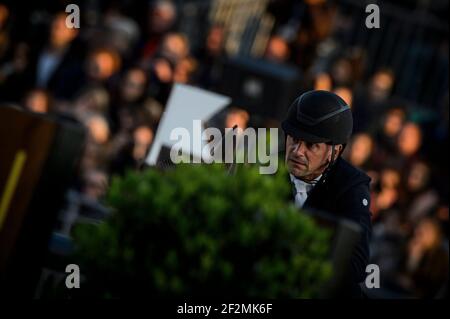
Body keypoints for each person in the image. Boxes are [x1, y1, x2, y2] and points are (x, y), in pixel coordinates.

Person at [281, 90, 372, 297]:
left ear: (335, 151)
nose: (297, 151)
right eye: (293, 139)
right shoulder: (266, 167)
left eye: (311, 145)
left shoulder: (351, 186)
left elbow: (355, 266)